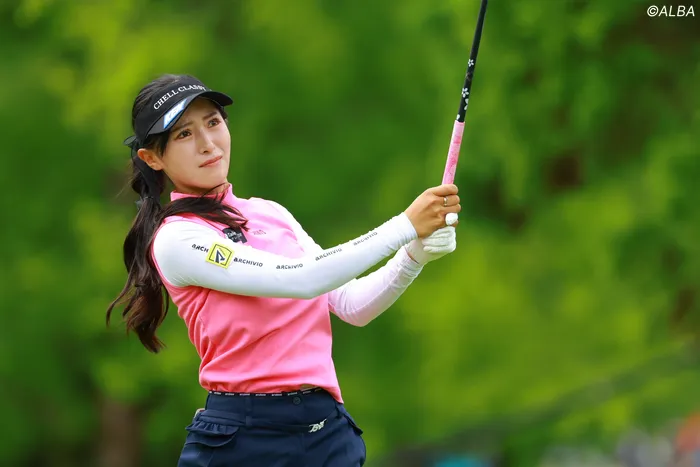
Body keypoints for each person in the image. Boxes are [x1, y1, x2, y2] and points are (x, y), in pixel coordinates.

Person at [106, 73, 461, 467]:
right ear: (152, 158)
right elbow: (300, 278)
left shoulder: (270, 213)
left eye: (213, 122)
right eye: (184, 134)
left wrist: (413, 255)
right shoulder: (177, 238)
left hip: (326, 432)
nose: (208, 143)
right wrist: (404, 226)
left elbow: (351, 305)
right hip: (243, 440)